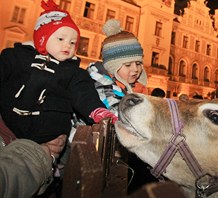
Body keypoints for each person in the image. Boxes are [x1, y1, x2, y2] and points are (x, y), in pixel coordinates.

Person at [0, 0, 116, 145]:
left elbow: (84, 95)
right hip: (6, 125)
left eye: (73, 42)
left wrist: (97, 111)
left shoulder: (74, 72)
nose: (67, 45)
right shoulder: (17, 56)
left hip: (46, 135)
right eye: (61, 39)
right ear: (42, 39)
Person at [87, 19, 157, 194]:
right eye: (128, 65)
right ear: (112, 66)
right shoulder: (102, 86)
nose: (136, 70)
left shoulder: (120, 85)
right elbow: (120, 114)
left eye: (139, 63)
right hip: (98, 160)